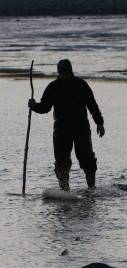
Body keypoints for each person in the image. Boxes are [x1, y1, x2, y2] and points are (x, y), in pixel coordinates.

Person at [28, 59, 105, 191]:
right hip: (61, 130)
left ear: (71, 71)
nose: (65, 75)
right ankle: (64, 190)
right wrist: (34, 106)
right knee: (61, 162)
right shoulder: (53, 87)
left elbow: (92, 105)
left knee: (87, 159)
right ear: (59, 73)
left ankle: (91, 187)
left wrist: (100, 123)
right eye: (63, 73)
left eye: (67, 73)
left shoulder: (81, 85)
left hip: (81, 128)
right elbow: (45, 107)